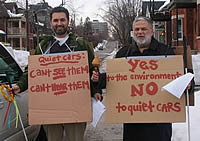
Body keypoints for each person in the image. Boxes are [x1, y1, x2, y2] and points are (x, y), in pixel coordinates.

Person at [12, 6, 102, 141]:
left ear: (68, 21)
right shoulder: (43, 46)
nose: (59, 23)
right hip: (51, 107)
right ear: (51, 22)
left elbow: (93, 70)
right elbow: (31, 71)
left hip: (76, 105)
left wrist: (96, 88)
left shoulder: (80, 45)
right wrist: (20, 85)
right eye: (56, 20)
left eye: (62, 20)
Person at [92, 16, 175, 141]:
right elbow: (114, 78)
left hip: (159, 122)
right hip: (133, 121)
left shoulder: (166, 52)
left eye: (143, 29)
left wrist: (188, 83)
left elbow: (180, 77)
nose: (140, 32)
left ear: (152, 31)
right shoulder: (124, 53)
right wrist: (98, 80)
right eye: (136, 29)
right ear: (133, 32)